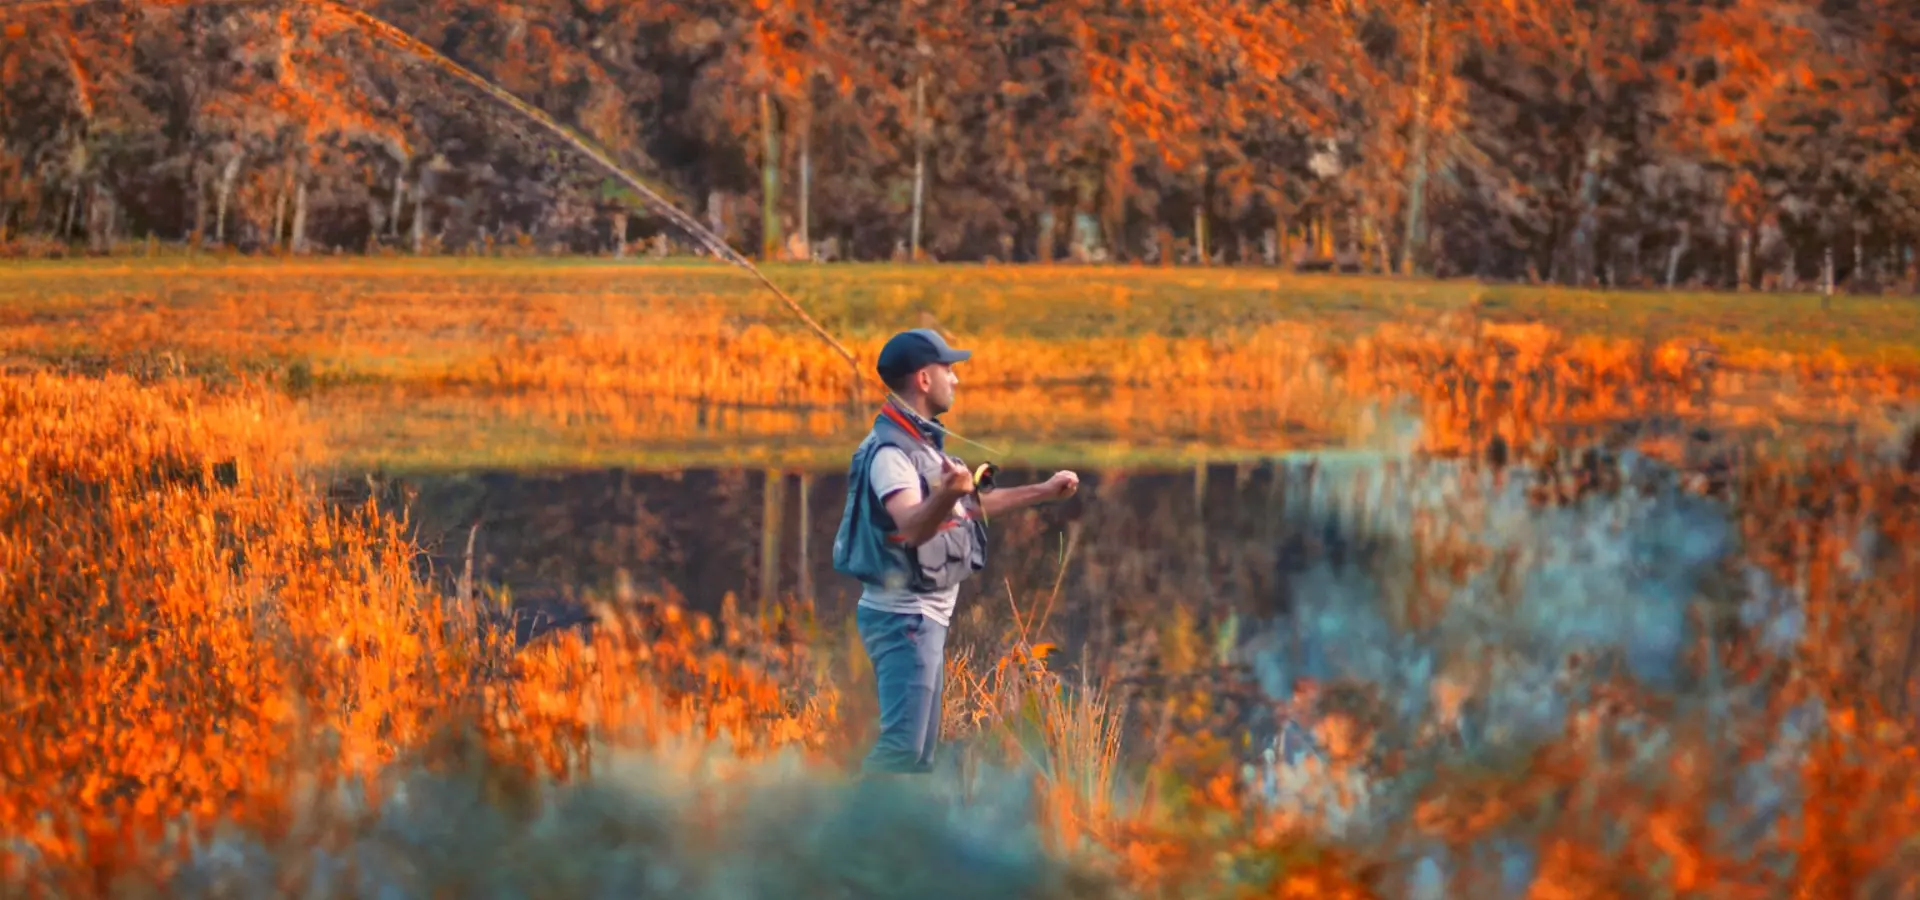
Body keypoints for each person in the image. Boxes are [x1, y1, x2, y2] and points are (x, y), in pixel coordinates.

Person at [832, 328, 1079, 775]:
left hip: (922, 618)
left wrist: (1044, 491)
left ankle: (891, 838)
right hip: (903, 618)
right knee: (902, 750)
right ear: (924, 379)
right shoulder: (891, 454)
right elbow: (910, 526)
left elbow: (968, 508)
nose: (956, 379)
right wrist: (947, 494)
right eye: (949, 369)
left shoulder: (921, 444)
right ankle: (840, 831)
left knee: (918, 755)